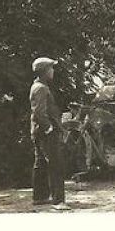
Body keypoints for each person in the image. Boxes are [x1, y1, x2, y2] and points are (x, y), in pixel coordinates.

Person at [29, 57, 70, 210]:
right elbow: (39, 112)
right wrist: (49, 128)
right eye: (51, 68)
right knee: (56, 164)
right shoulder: (41, 88)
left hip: (38, 131)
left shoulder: (38, 86)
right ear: (44, 71)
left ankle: (39, 197)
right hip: (45, 132)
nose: (53, 71)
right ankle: (58, 201)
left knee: (40, 163)